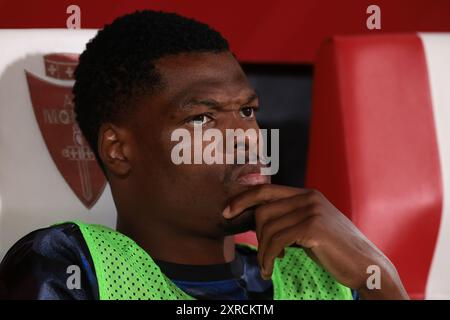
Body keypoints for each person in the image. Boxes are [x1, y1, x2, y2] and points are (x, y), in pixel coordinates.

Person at [0, 10, 408, 300]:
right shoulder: (72, 267)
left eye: (247, 111)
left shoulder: (323, 276)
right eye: (201, 118)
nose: (246, 138)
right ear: (119, 150)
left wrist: (381, 280)